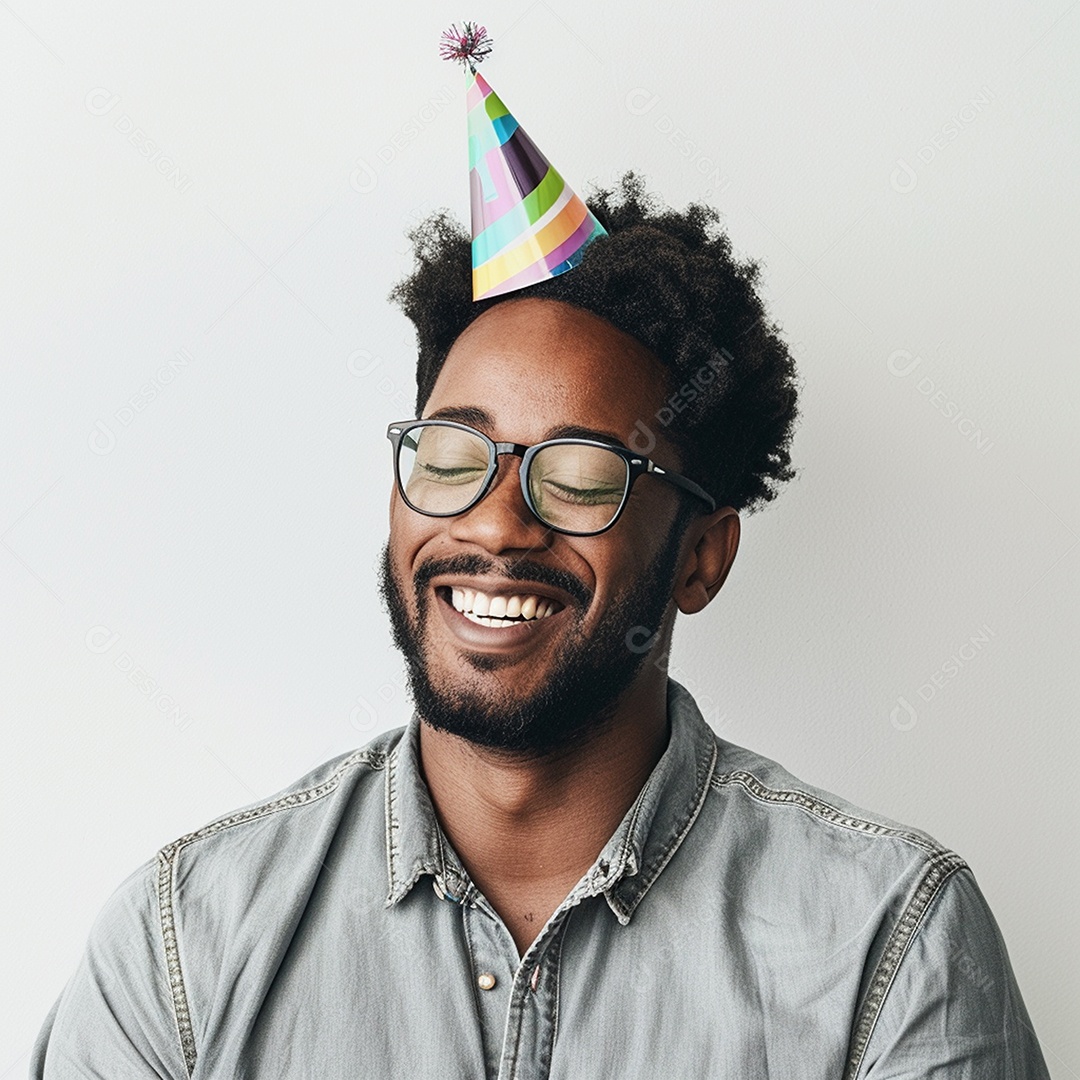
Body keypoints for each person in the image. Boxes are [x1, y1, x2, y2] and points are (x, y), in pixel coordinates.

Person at [30, 172, 1050, 1078]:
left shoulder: (889, 944)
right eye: (450, 455)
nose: (494, 523)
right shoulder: (184, 946)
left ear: (702, 556)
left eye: (580, 475)